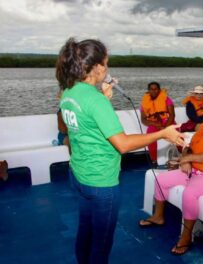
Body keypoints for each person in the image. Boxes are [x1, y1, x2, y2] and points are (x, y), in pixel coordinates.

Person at [56, 37, 184, 264]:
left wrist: (102, 97)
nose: (107, 68)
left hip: (78, 174)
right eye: (105, 63)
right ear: (95, 67)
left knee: (85, 230)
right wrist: (162, 133)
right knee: (101, 243)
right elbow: (123, 144)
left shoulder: (68, 92)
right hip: (101, 183)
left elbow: (81, 125)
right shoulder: (95, 101)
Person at [138, 99, 203, 255]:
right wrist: (186, 159)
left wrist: (187, 160)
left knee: (189, 193)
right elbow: (188, 148)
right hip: (193, 171)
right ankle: (158, 216)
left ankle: (186, 236)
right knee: (161, 179)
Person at [140, 81, 176, 167]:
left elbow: (172, 115)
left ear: (159, 90)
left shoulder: (166, 99)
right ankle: (154, 161)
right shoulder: (144, 102)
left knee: (177, 134)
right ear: (148, 91)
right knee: (150, 136)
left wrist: (165, 128)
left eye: (156, 89)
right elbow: (143, 119)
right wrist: (154, 124)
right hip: (154, 122)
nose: (154, 91)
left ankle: (184, 155)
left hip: (167, 121)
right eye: (151, 89)